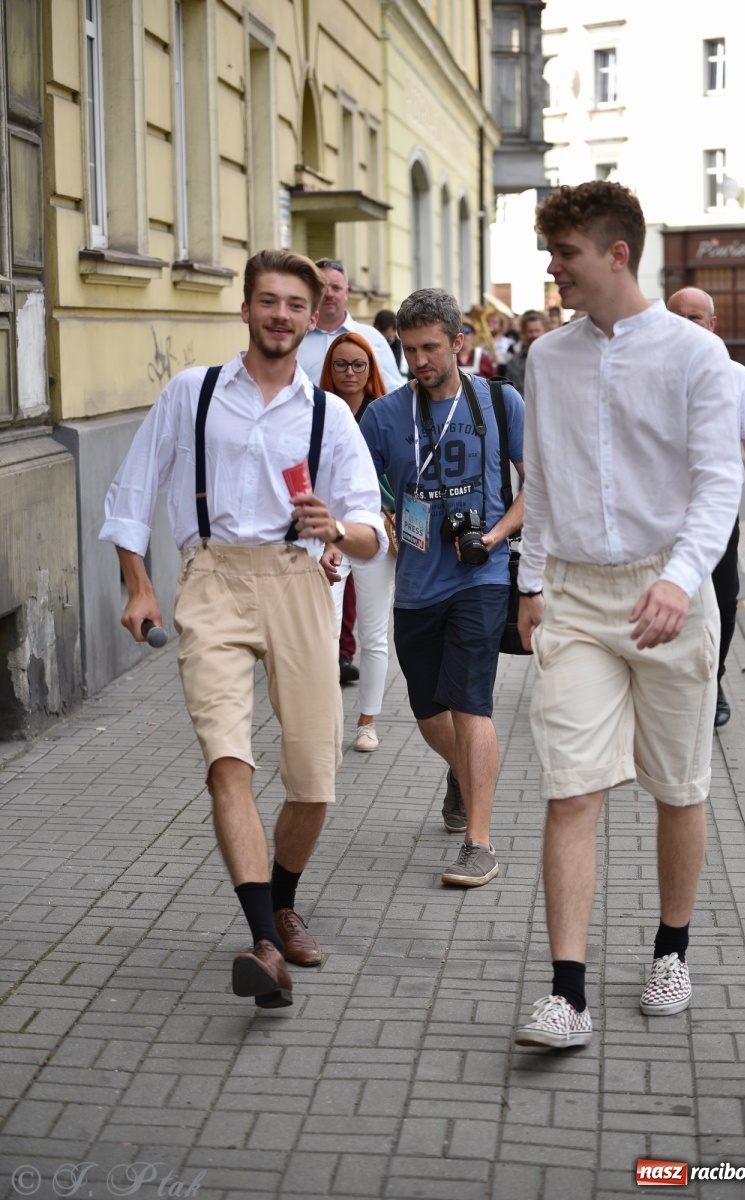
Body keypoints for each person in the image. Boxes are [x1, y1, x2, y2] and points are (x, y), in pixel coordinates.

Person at [100, 249, 386, 1010]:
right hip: (213, 580)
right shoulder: (192, 394)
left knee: (314, 773)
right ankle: (264, 940)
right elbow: (131, 492)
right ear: (246, 309)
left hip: (297, 581)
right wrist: (139, 587)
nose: (282, 315)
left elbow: (371, 530)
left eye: (295, 303)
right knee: (229, 757)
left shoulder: (327, 413)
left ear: (311, 313)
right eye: (268, 301)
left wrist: (341, 529)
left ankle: (283, 898)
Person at [514, 181, 742, 1050]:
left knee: (676, 785)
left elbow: (719, 482)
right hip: (575, 595)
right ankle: (565, 993)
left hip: (666, 592)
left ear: (615, 254)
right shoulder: (547, 357)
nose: (551, 269)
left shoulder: (694, 357)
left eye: (564, 253)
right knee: (570, 788)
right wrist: (529, 586)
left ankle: (670, 948)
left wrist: (681, 580)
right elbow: (539, 477)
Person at [359, 288, 525, 887]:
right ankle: (463, 771)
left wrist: (498, 535)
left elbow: (540, 485)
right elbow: (355, 485)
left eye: (430, 347)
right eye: (409, 350)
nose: (419, 360)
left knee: (470, 702)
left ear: (460, 342)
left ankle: (479, 842)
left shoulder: (501, 403)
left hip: (480, 576)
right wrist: (381, 522)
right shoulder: (382, 416)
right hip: (417, 583)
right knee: (429, 711)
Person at [667, 286, 745, 727]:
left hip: (714, 513)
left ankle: (715, 678)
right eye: (680, 318)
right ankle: (668, 685)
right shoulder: (646, 373)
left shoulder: (736, 376)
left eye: (698, 318)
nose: (690, 326)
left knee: (723, 600)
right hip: (659, 516)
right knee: (664, 600)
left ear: (713, 325)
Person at [319, 332, 397, 752]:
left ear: (371, 371)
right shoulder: (316, 413)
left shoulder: (384, 414)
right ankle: (324, 722)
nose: (349, 372)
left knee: (374, 631)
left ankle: (367, 722)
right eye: (341, 364)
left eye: (358, 365)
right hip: (326, 534)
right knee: (323, 630)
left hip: (374, 532)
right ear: (329, 369)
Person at [297, 259, 404, 390]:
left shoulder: (371, 338)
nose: (329, 294)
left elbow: (394, 389)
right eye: (322, 287)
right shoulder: (296, 340)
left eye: (336, 288)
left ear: (346, 293)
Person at [504, 310, 547, 392]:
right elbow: (513, 391)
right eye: (530, 331)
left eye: (537, 331)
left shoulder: (553, 358)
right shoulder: (515, 362)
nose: (534, 335)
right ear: (523, 333)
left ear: (545, 331)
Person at [373, 308, 409, 378]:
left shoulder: (405, 350)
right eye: (382, 339)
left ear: (395, 329)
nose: (385, 344)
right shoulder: (368, 348)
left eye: (388, 340)